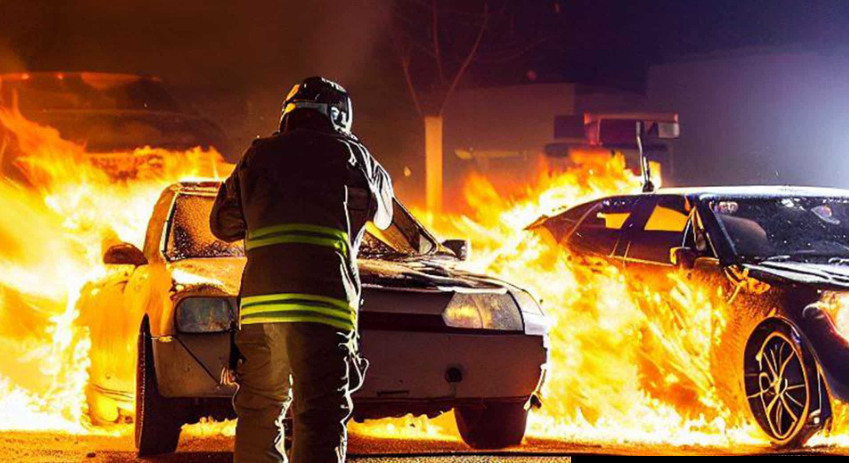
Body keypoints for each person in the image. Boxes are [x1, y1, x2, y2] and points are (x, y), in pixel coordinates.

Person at [210, 76, 394, 463]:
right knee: (319, 414)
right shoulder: (353, 156)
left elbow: (222, 225)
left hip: (261, 313)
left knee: (260, 410)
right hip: (324, 312)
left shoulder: (256, 156)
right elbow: (384, 213)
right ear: (340, 117)